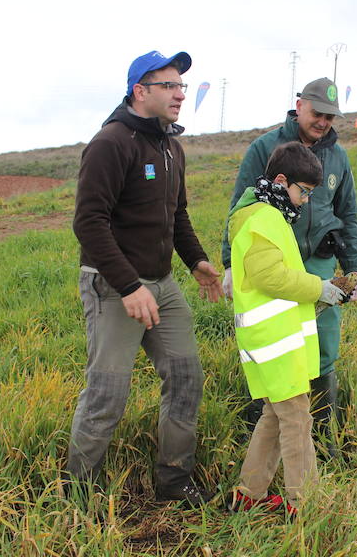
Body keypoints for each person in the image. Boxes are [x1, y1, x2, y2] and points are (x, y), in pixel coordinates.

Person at [69, 50, 223, 506]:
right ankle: (80, 492)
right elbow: (89, 222)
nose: (180, 94)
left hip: (162, 285)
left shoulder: (171, 147)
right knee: (107, 393)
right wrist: (130, 286)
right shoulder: (111, 143)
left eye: (182, 86)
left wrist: (196, 261)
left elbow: (177, 216)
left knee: (185, 376)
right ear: (141, 91)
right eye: (169, 86)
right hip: (114, 283)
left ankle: (174, 479)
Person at [220, 77, 357, 451]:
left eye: (331, 116)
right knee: (275, 350)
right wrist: (230, 264)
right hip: (272, 263)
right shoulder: (265, 147)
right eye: (317, 113)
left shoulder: (339, 156)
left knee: (323, 349)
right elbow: (241, 204)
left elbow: (348, 212)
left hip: (319, 263)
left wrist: (353, 268)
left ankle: (322, 441)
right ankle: (261, 437)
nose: (323, 121)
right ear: (299, 105)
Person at [226, 142, 346, 517]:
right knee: (297, 420)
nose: (306, 200)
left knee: (275, 417)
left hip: (274, 341)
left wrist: (325, 294)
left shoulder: (265, 214)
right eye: (304, 191)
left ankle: (250, 493)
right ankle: (305, 505)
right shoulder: (263, 217)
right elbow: (270, 277)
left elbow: (278, 279)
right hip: (274, 343)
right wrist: (318, 287)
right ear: (281, 181)